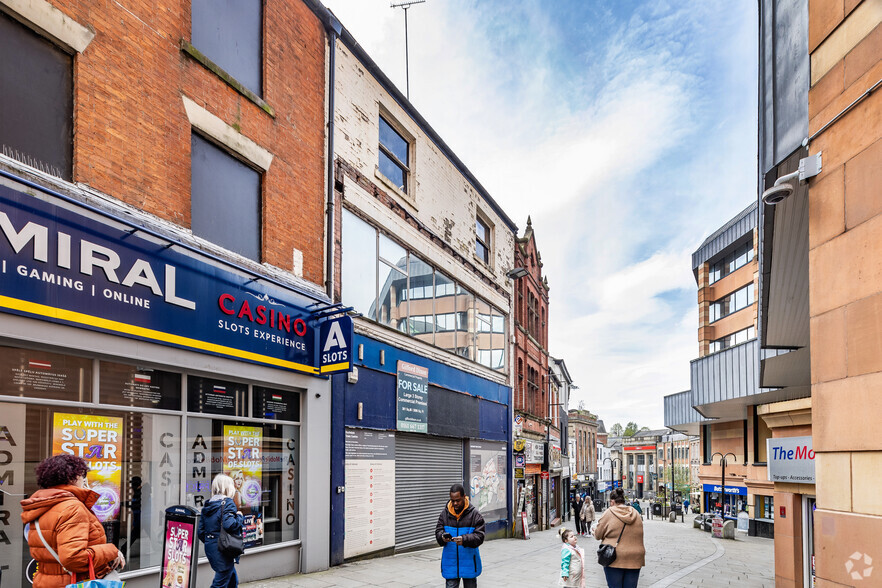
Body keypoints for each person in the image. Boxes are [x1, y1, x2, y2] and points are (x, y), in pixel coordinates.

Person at [21, 455, 125, 588]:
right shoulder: (72, 507)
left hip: (45, 581)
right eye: (83, 475)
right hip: (72, 582)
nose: (85, 479)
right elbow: (74, 558)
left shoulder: (43, 505)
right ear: (73, 477)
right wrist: (111, 551)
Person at [197, 474, 245, 588]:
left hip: (211, 548)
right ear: (228, 488)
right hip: (224, 549)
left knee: (232, 579)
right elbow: (230, 525)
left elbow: (200, 532)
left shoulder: (208, 505)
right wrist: (239, 516)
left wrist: (212, 541)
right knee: (220, 583)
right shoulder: (228, 503)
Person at [435, 483, 485, 588]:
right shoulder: (444, 514)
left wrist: (464, 539)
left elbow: (480, 536)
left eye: (458, 500)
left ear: (464, 496)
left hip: (469, 564)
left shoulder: (475, 515)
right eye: (452, 500)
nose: (455, 503)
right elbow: (438, 532)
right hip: (450, 563)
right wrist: (442, 537)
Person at [594, 488, 645, 588]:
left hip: (615, 557)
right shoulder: (635, 514)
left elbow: (598, 535)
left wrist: (594, 530)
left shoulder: (609, 512)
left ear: (612, 502)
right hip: (635, 557)